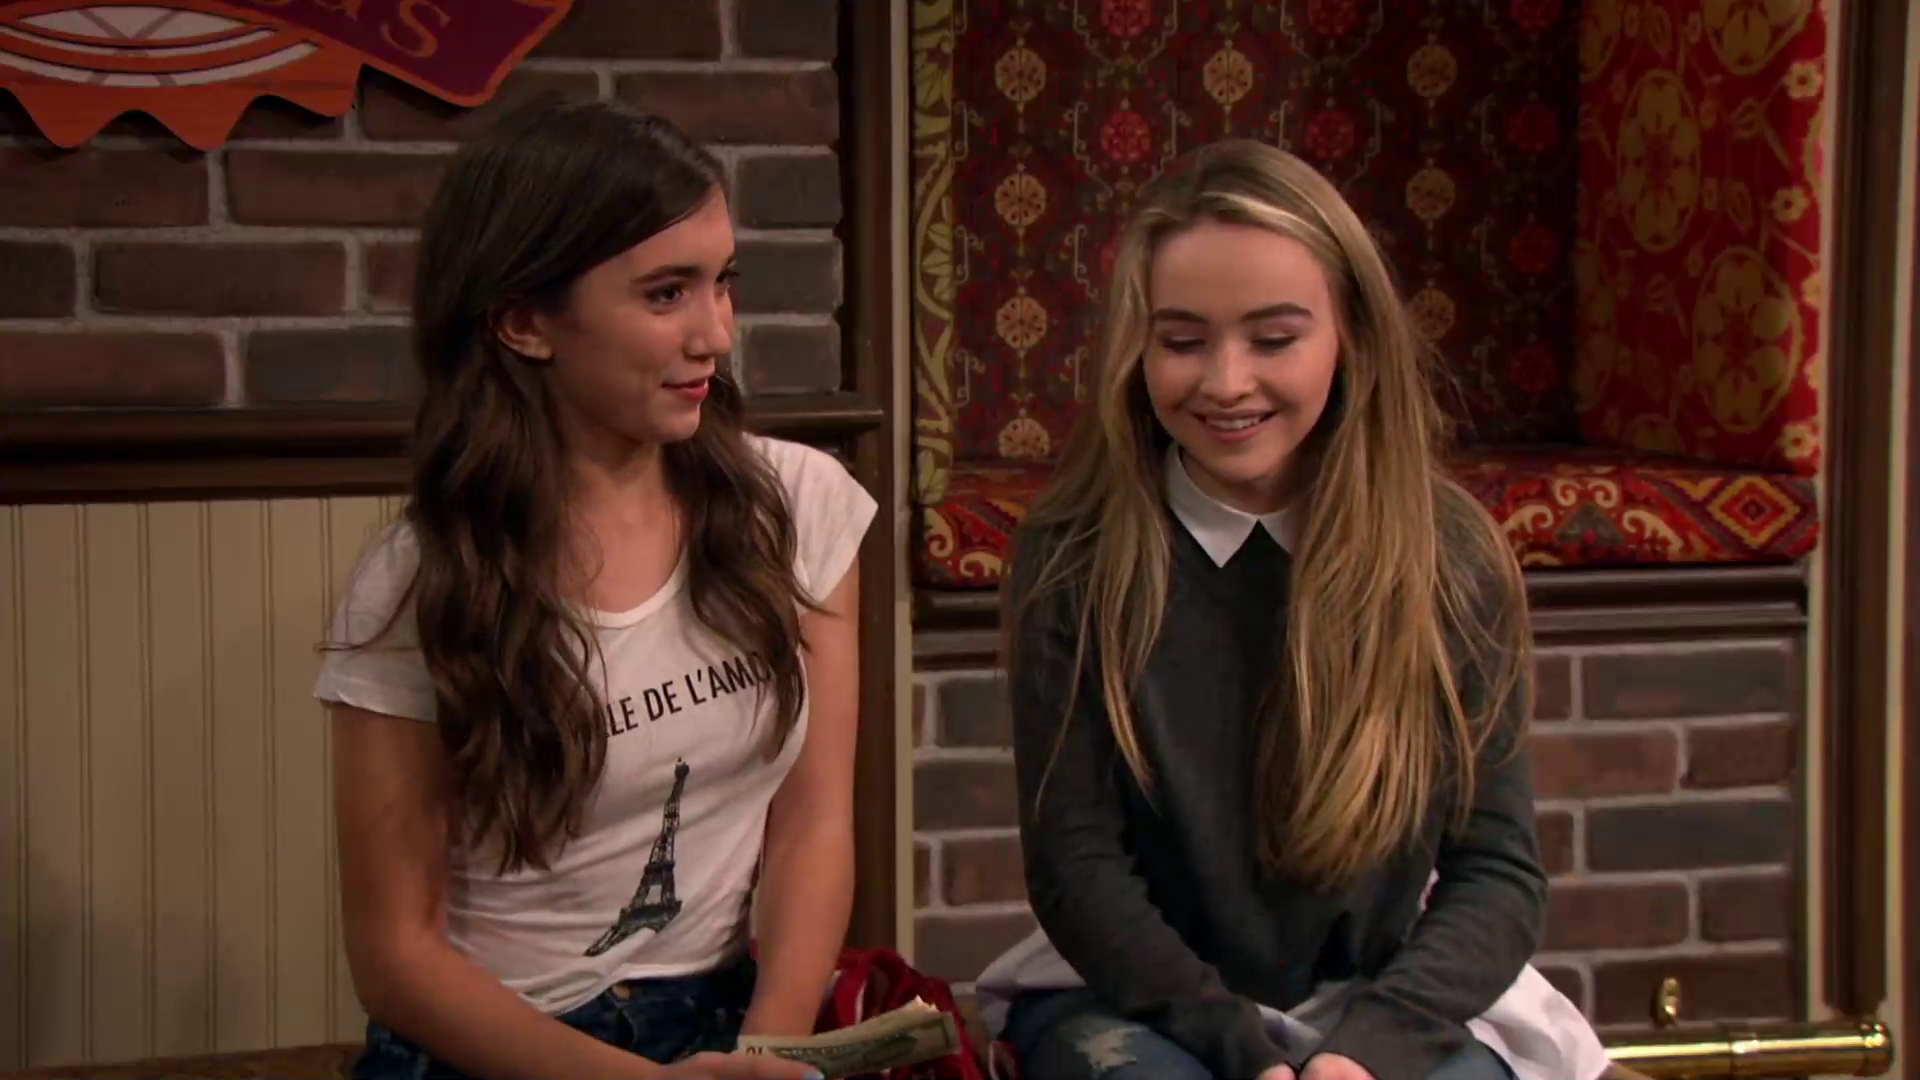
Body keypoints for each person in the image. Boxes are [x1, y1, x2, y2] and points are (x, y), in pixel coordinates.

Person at [314, 96, 876, 1080]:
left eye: (723, 283)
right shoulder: (417, 581)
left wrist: (767, 1052)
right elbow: (396, 956)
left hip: (730, 1014)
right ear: (525, 321)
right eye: (666, 294)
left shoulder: (801, 504)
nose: (716, 334)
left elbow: (814, 823)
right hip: (512, 1043)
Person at [989, 139, 1554, 1080]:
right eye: (1182, 342)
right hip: (1146, 999)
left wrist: (1365, 1053)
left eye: (1274, 339)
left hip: (1387, 1003)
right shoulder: (1072, 556)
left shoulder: (1449, 554)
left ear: (1350, 337)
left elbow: (1497, 872)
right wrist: (1242, 1053)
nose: (1225, 382)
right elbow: (1077, 867)